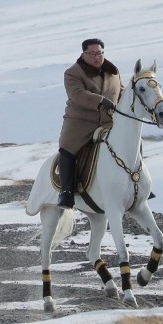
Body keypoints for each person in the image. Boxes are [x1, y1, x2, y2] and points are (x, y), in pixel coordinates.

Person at [56, 38, 121, 209]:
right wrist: (100, 100)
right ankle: (66, 192)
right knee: (67, 147)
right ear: (83, 54)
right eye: (92, 53)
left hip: (108, 121)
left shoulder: (112, 71)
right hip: (81, 121)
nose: (96, 57)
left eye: (99, 53)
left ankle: (137, 180)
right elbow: (77, 94)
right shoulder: (72, 73)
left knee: (132, 141)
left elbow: (120, 92)